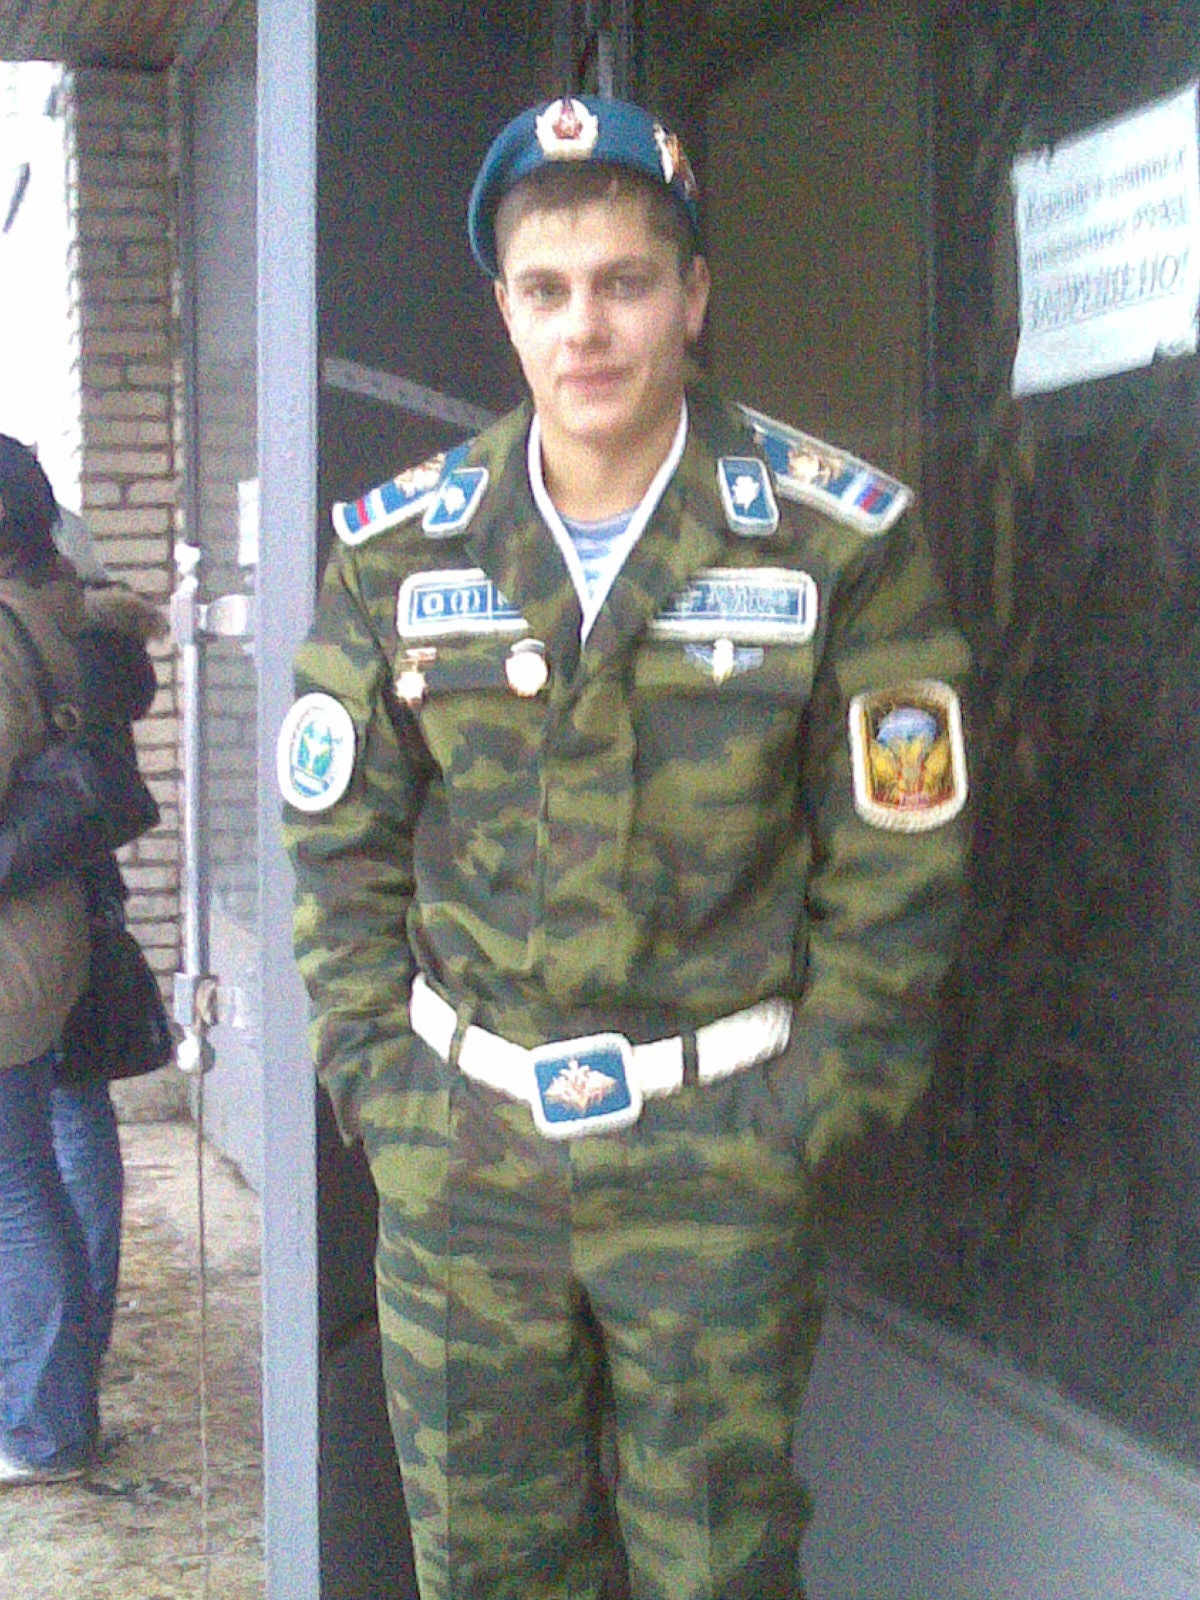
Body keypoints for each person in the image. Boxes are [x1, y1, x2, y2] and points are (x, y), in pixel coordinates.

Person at [281, 95, 971, 1599]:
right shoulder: (401, 550)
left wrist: (798, 1120)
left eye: (625, 282)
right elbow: (338, 850)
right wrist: (391, 1098)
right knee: (487, 1570)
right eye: (547, 289)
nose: (585, 327)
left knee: (717, 1567)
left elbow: (901, 874)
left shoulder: (833, 542)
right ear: (506, 311)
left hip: (714, 1155)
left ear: (693, 296)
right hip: (466, 1159)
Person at [0, 434, 162, 1485]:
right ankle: (61, 1372)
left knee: (21, 1181)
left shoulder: (14, 628)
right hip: (62, 909)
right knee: (57, 1143)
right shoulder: (71, 612)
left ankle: (48, 1411)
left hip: (28, 927)